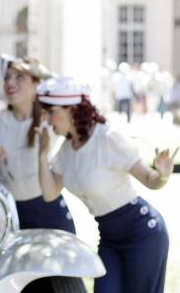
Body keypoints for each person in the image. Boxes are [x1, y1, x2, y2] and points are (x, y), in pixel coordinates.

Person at [36, 76, 173, 293]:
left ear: (72, 109)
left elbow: (150, 179)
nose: (47, 119)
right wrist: (42, 154)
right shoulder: (67, 149)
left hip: (143, 235)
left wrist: (163, 176)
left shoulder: (107, 138)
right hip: (109, 239)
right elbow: (50, 193)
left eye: (51, 112)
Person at [0, 54, 76, 234]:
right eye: (7, 78)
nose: (10, 83)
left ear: (37, 84)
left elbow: (63, 87)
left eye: (19, 77)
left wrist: (41, 72)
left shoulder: (49, 117)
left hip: (49, 211)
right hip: (12, 213)